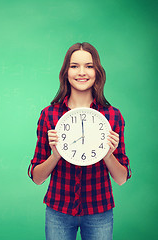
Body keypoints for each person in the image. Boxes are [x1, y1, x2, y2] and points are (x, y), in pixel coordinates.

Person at [28, 42, 131, 240]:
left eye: (89, 66)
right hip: (58, 210)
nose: (81, 72)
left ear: (97, 72)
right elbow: (37, 177)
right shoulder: (49, 115)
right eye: (74, 66)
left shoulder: (112, 116)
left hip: (99, 211)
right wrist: (55, 155)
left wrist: (108, 155)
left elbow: (121, 179)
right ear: (66, 72)